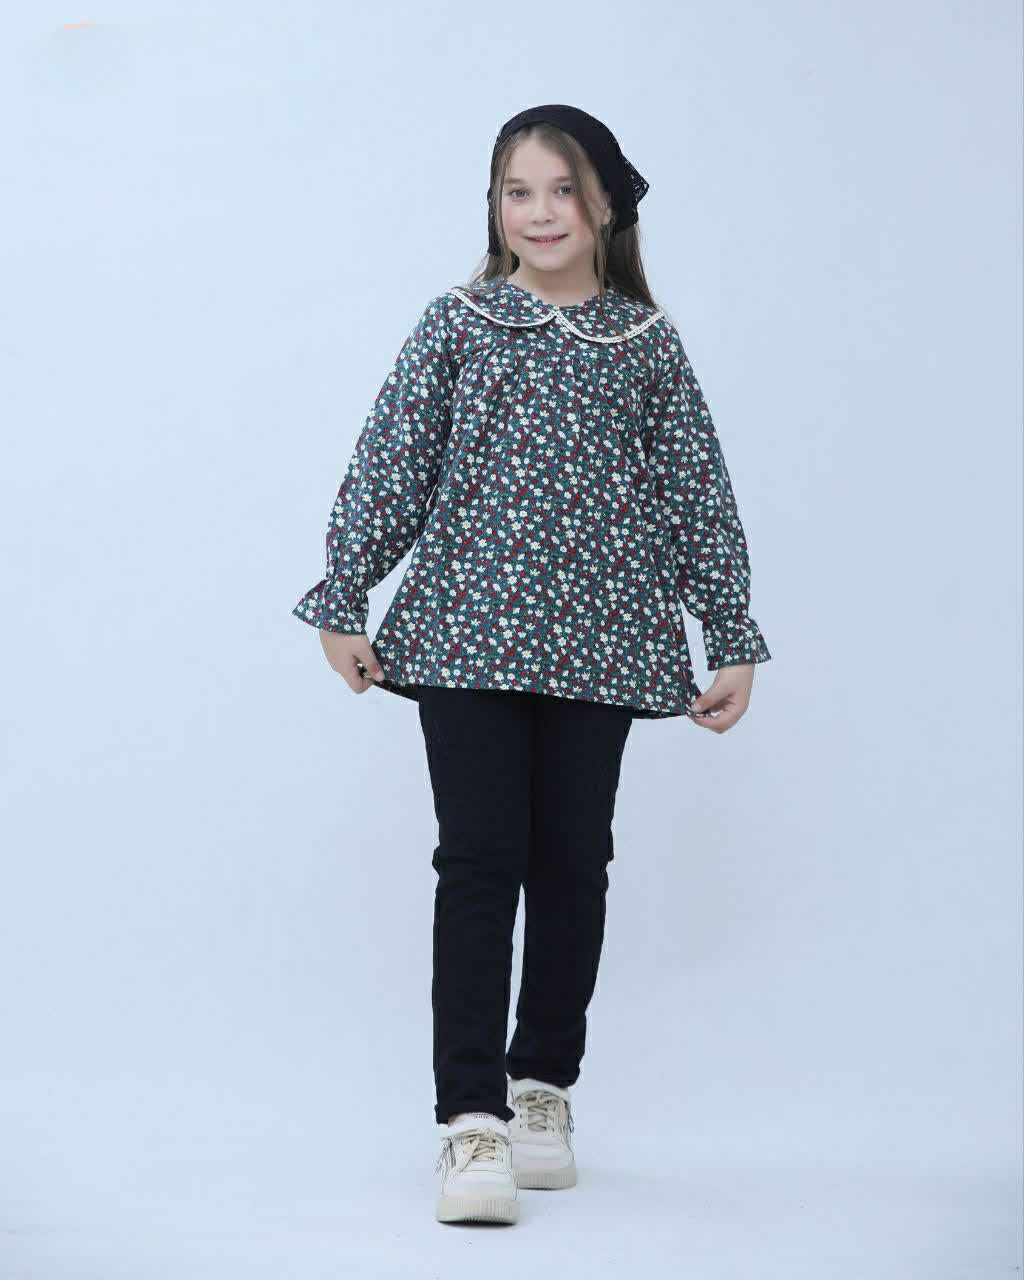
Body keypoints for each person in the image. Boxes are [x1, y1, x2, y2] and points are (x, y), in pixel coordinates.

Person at [292, 104, 772, 1226]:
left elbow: (696, 493)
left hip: (600, 643)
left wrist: (730, 632)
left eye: (563, 190)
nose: (540, 212)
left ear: (606, 206)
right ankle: (471, 1118)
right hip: (466, 638)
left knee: (572, 864)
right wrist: (344, 595)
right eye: (519, 191)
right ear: (495, 207)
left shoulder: (642, 344)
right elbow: (392, 462)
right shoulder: (458, 324)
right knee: (478, 863)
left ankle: (542, 1088)